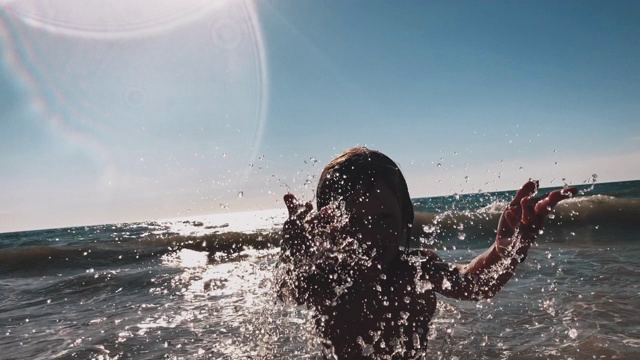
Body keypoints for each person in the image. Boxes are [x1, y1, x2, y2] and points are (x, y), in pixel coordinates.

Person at [277, 147, 577, 359]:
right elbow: (286, 293)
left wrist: (505, 250)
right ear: (328, 225)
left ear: (406, 217)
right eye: (354, 222)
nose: (370, 235)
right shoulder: (327, 279)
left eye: (384, 219)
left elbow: (474, 284)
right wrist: (296, 255)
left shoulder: (416, 270)